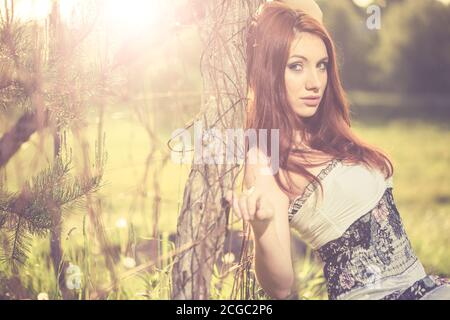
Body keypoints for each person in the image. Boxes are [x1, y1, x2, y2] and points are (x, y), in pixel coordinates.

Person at [226, 1, 450, 300]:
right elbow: (279, 286)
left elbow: (311, 11)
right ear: (268, 71)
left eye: (322, 65)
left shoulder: (325, 131)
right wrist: (262, 227)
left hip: (422, 288)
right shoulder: (265, 156)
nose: (315, 82)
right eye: (296, 66)